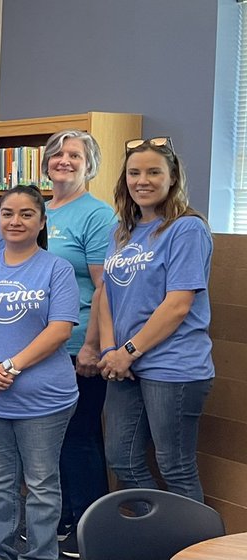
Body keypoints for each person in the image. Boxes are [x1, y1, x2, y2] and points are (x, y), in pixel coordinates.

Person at [0, 185, 80, 560]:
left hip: (43, 397)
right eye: (8, 213)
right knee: (0, 479)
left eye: (26, 214)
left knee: (40, 482)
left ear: (42, 222)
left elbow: (60, 329)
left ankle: (41, 554)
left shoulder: (57, 268)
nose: (15, 221)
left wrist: (9, 366)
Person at [96, 137, 214, 504]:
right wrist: (109, 350)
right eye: (134, 172)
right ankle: (161, 537)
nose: (142, 180)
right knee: (122, 460)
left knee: (175, 466)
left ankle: (194, 549)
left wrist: (128, 351)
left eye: (153, 172)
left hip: (173, 366)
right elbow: (107, 294)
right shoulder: (123, 231)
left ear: (172, 177)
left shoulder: (186, 228)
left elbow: (178, 305)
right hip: (124, 366)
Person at [41, 129, 116, 555]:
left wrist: (92, 346)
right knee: (49, 441)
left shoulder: (97, 215)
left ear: (90, 165)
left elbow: (104, 287)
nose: (64, 160)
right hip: (37, 349)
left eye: (75, 155)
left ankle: (89, 524)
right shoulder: (40, 209)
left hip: (76, 345)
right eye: (57, 154)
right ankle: (62, 516)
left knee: (81, 435)